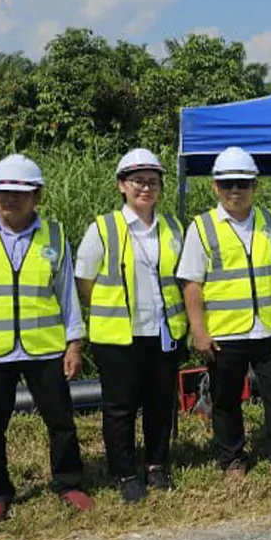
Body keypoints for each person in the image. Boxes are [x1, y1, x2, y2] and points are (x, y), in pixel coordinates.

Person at [0, 154, 91, 524]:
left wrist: (74, 344)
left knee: (61, 422)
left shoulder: (54, 235)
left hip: (44, 347)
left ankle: (68, 482)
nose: (9, 199)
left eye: (19, 192)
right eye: (2, 192)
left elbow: (66, 293)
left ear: (36, 196)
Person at [178, 147, 271, 487]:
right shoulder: (202, 228)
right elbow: (191, 283)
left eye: (243, 184)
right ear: (215, 187)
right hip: (225, 332)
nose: (236, 190)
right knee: (226, 399)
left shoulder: (270, 222)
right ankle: (232, 459)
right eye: (228, 183)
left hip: (270, 328)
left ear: (254, 186)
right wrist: (198, 331)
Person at [75, 148, 186, 504]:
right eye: (137, 181)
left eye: (153, 182)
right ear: (122, 186)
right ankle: (125, 472)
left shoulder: (171, 228)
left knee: (160, 403)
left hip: (163, 331)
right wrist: (108, 310)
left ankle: (157, 465)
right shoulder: (104, 228)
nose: (145, 188)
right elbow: (84, 281)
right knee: (120, 408)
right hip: (118, 336)